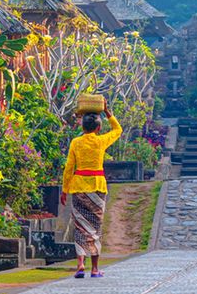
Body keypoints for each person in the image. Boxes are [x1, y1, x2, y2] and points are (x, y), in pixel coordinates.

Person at [60, 100, 122, 279]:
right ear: (97, 128)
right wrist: (108, 112)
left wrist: (64, 190)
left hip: (78, 186)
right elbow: (118, 130)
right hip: (97, 187)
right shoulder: (101, 141)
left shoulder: (76, 142)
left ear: (84, 127)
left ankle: (80, 265)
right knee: (95, 227)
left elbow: (69, 168)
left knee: (79, 227)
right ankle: (94, 269)